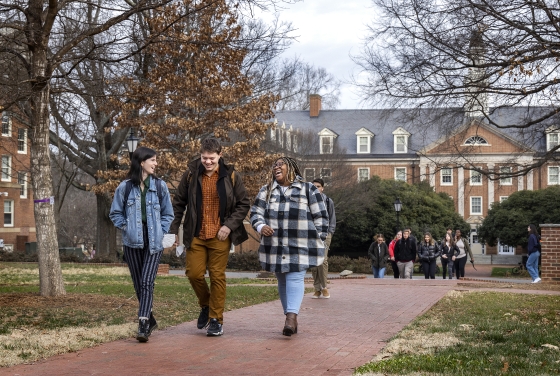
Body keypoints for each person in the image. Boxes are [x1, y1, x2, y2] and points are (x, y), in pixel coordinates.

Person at [169, 138, 250, 337]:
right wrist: (172, 231)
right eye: (204, 158)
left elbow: (243, 204)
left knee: (217, 276)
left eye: (211, 158)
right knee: (194, 274)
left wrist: (229, 226)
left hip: (220, 236)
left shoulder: (230, 176)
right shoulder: (190, 174)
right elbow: (178, 203)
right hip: (196, 234)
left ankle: (216, 319)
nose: (207, 162)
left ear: (219, 156)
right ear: (200, 155)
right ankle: (206, 305)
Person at [250, 156, 328, 336]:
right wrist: (261, 226)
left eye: (280, 164)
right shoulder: (266, 191)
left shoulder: (307, 189)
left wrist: (318, 240)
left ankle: (291, 318)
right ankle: (290, 316)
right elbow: (256, 213)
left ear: (291, 168)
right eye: (274, 165)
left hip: (300, 244)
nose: (276, 167)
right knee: (283, 280)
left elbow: (321, 217)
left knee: (294, 278)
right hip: (274, 245)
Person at [109, 146, 174, 342]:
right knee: (139, 284)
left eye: (156, 160)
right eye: (152, 160)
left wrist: (161, 231)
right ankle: (150, 317)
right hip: (132, 241)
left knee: (147, 282)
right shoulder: (125, 187)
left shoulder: (160, 186)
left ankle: (143, 322)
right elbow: (115, 213)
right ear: (141, 163)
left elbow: (168, 213)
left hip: (154, 241)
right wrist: (126, 227)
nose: (156, 164)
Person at [310, 178, 336, 299]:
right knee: (314, 262)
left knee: (323, 260)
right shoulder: (307, 201)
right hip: (311, 235)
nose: (316, 188)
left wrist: (330, 232)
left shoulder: (327, 201)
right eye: (314, 186)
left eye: (318, 186)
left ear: (323, 188)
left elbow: (332, 218)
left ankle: (324, 287)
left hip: (325, 234)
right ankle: (317, 289)